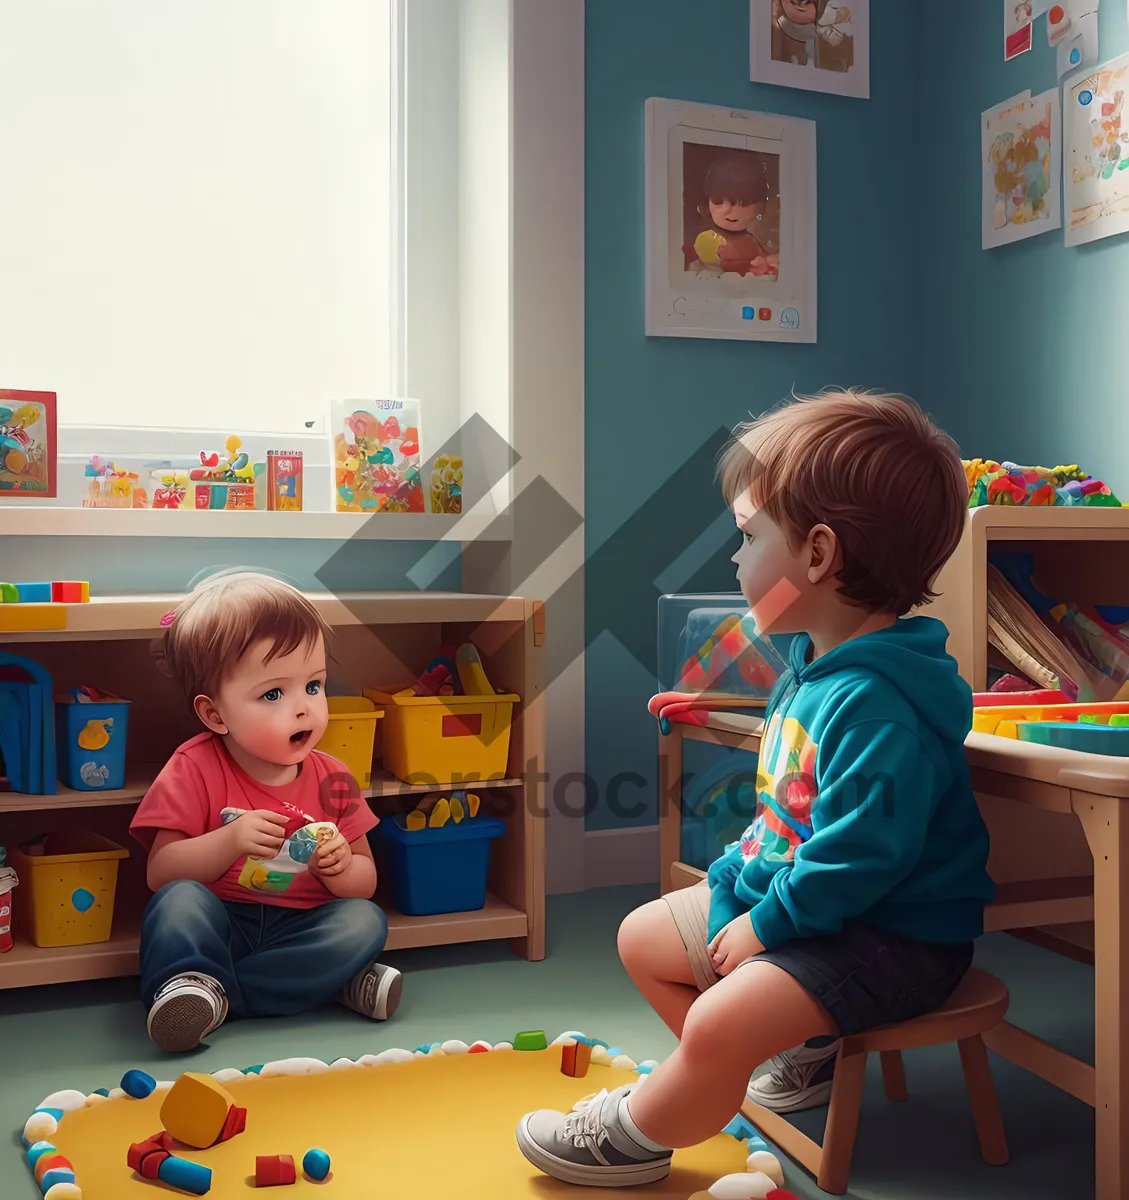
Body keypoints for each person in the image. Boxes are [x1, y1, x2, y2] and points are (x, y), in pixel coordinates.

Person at [515, 390, 996, 1186]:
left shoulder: (877, 703)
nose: (735, 561)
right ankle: (763, 1062)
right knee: (643, 938)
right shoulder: (814, 668)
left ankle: (641, 1132)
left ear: (817, 555)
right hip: (815, 908)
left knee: (716, 1016)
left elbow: (858, 858)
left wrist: (767, 925)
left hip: (890, 938)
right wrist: (741, 883)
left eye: (746, 537)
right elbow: (792, 804)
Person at [130, 571, 402, 1052]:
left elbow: (365, 882)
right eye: (273, 694)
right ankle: (319, 986)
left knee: (364, 921)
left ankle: (217, 996)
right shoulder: (193, 765)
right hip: (221, 923)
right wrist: (229, 841)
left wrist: (339, 867)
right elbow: (162, 873)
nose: (304, 709)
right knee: (177, 906)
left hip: (302, 923)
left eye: (314, 686)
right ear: (215, 715)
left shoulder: (333, 774)